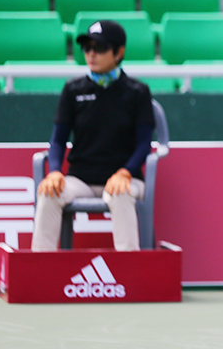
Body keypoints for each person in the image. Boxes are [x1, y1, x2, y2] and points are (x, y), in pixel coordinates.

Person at [31, 20, 154, 251]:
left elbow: (144, 145)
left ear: (119, 52)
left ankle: (130, 273)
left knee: (120, 193)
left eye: (99, 48)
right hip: (80, 180)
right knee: (50, 193)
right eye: (87, 48)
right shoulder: (73, 90)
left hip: (126, 179)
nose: (91, 54)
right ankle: (40, 269)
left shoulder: (137, 92)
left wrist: (125, 173)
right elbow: (57, 140)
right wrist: (55, 171)